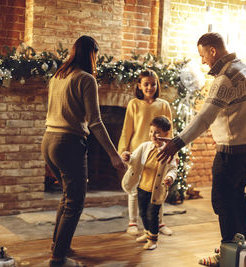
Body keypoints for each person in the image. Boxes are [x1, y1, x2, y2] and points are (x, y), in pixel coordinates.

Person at [157, 32, 246, 266]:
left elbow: (204, 118)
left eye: (203, 55)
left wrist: (176, 142)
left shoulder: (225, 79)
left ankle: (228, 252)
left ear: (213, 50)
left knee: (222, 201)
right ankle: (244, 247)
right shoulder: (244, 68)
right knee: (237, 196)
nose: (202, 61)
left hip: (231, 151)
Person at [41, 35, 127, 267]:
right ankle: (58, 259)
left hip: (48, 141)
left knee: (67, 196)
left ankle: (59, 246)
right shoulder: (85, 78)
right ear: (92, 54)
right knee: (75, 201)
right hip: (68, 143)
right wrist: (113, 155)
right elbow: (95, 122)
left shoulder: (57, 76)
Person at [117, 69, 174, 236]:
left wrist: (171, 150)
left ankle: (159, 222)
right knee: (135, 187)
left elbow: (170, 131)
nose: (150, 87)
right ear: (139, 86)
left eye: (153, 84)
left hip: (158, 153)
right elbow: (126, 130)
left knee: (158, 186)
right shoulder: (134, 104)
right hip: (137, 153)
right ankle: (132, 221)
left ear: (157, 85)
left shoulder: (164, 105)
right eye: (146, 84)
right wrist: (123, 151)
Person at [121, 116, 177, 250]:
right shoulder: (145, 146)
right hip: (142, 187)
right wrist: (128, 157)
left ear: (166, 134)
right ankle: (147, 233)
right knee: (143, 213)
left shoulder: (169, 151)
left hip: (157, 191)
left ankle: (153, 239)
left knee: (152, 215)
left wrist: (170, 177)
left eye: (157, 132)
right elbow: (134, 159)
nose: (153, 135)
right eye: (151, 131)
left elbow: (173, 168)